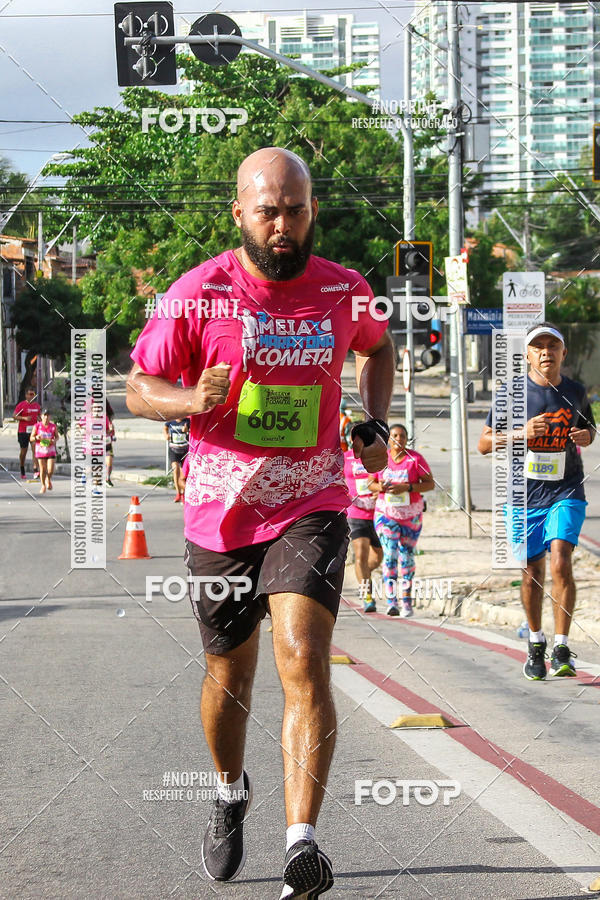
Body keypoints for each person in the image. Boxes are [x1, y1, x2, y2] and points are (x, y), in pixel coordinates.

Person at [126, 147, 394, 899]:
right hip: (222, 513)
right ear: (239, 213)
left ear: (314, 211)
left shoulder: (345, 289)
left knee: (303, 658)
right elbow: (139, 384)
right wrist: (188, 401)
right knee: (230, 675)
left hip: (312, 500)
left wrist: (373, 420)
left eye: (296, 211)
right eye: (268, 211)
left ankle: (301, 844)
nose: (283, 226)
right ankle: (228, 789)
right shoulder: (198, 292)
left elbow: (379, 347)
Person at [478, 323, 596, 680]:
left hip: (566, 488)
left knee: (560, 560)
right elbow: (484, 443)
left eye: (552, 346)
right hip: (523, 495)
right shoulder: (511, 393)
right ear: (528, 354)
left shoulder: (575, 391)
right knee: (532, 574)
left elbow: (589, 429)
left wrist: (586, 436)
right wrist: (521, 433)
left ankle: (561, 647)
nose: (546, 352)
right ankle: (535, 641)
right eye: (538, 346)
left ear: (563, 353)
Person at [369, 424, 434, 617]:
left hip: (411, 515)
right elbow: (370, 483)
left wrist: (407, 487)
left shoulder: (415, 459)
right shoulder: (380, 458)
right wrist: (379, 487)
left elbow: (429, 484)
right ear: (389, 439)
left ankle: (406, 601)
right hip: (386, 514)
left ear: (407, 439)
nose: (399, 439)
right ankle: (392, 602)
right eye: (395, 435)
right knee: (390, 555)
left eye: (402, 436)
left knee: (406, 557)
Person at [343, 440, 382, 612]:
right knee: (361, 555)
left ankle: (363, 575)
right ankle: (367, 596)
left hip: (379, 513)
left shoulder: (378, 457)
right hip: (355, 513)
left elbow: (385, 479)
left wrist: (380, 490)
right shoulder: (344, 458)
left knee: (378, 557)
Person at [13, 387, 41, 480]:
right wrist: (24, 418)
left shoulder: (37, 406)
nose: (31, 396)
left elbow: (39, 416)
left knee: (35, 449)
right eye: (29, 394)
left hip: (33, 431)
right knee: (23, 451)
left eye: (33, 394)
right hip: (23, 431)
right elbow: (14, 416)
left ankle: (35, 470)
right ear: (26, 395)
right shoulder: (21, 405)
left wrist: (42, 422)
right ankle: (22, 468)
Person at [30, 409, 58, 494]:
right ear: (41, 416)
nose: (46, 417)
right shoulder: (37, 426)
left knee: (50, 470)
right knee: (42, 469)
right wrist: (36, 437)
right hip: (40, 450)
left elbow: (57, 437)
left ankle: (48, 478)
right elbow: (31, 438)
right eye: (44, 415)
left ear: (50, 417)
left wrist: (54, 440)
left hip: (50, 450)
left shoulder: (53, 426)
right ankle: (43, 485)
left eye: (48, 415)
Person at [163, 417, 190, 503]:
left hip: (185, 450)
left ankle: (183, 493)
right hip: (173, 450)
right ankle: (178, 493)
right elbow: (165, 427)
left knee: (183, 474)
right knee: (175, 470)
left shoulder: (187, 421)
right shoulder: (171, 421)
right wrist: (166, 434)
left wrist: (187, 430)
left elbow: (193, 432)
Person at [105, 400, 116, 486]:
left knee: (109, 460)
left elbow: (111, 431)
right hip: (94, 444)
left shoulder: (107, 418)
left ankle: (107, 478)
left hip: (107, 443)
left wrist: (112, 433)